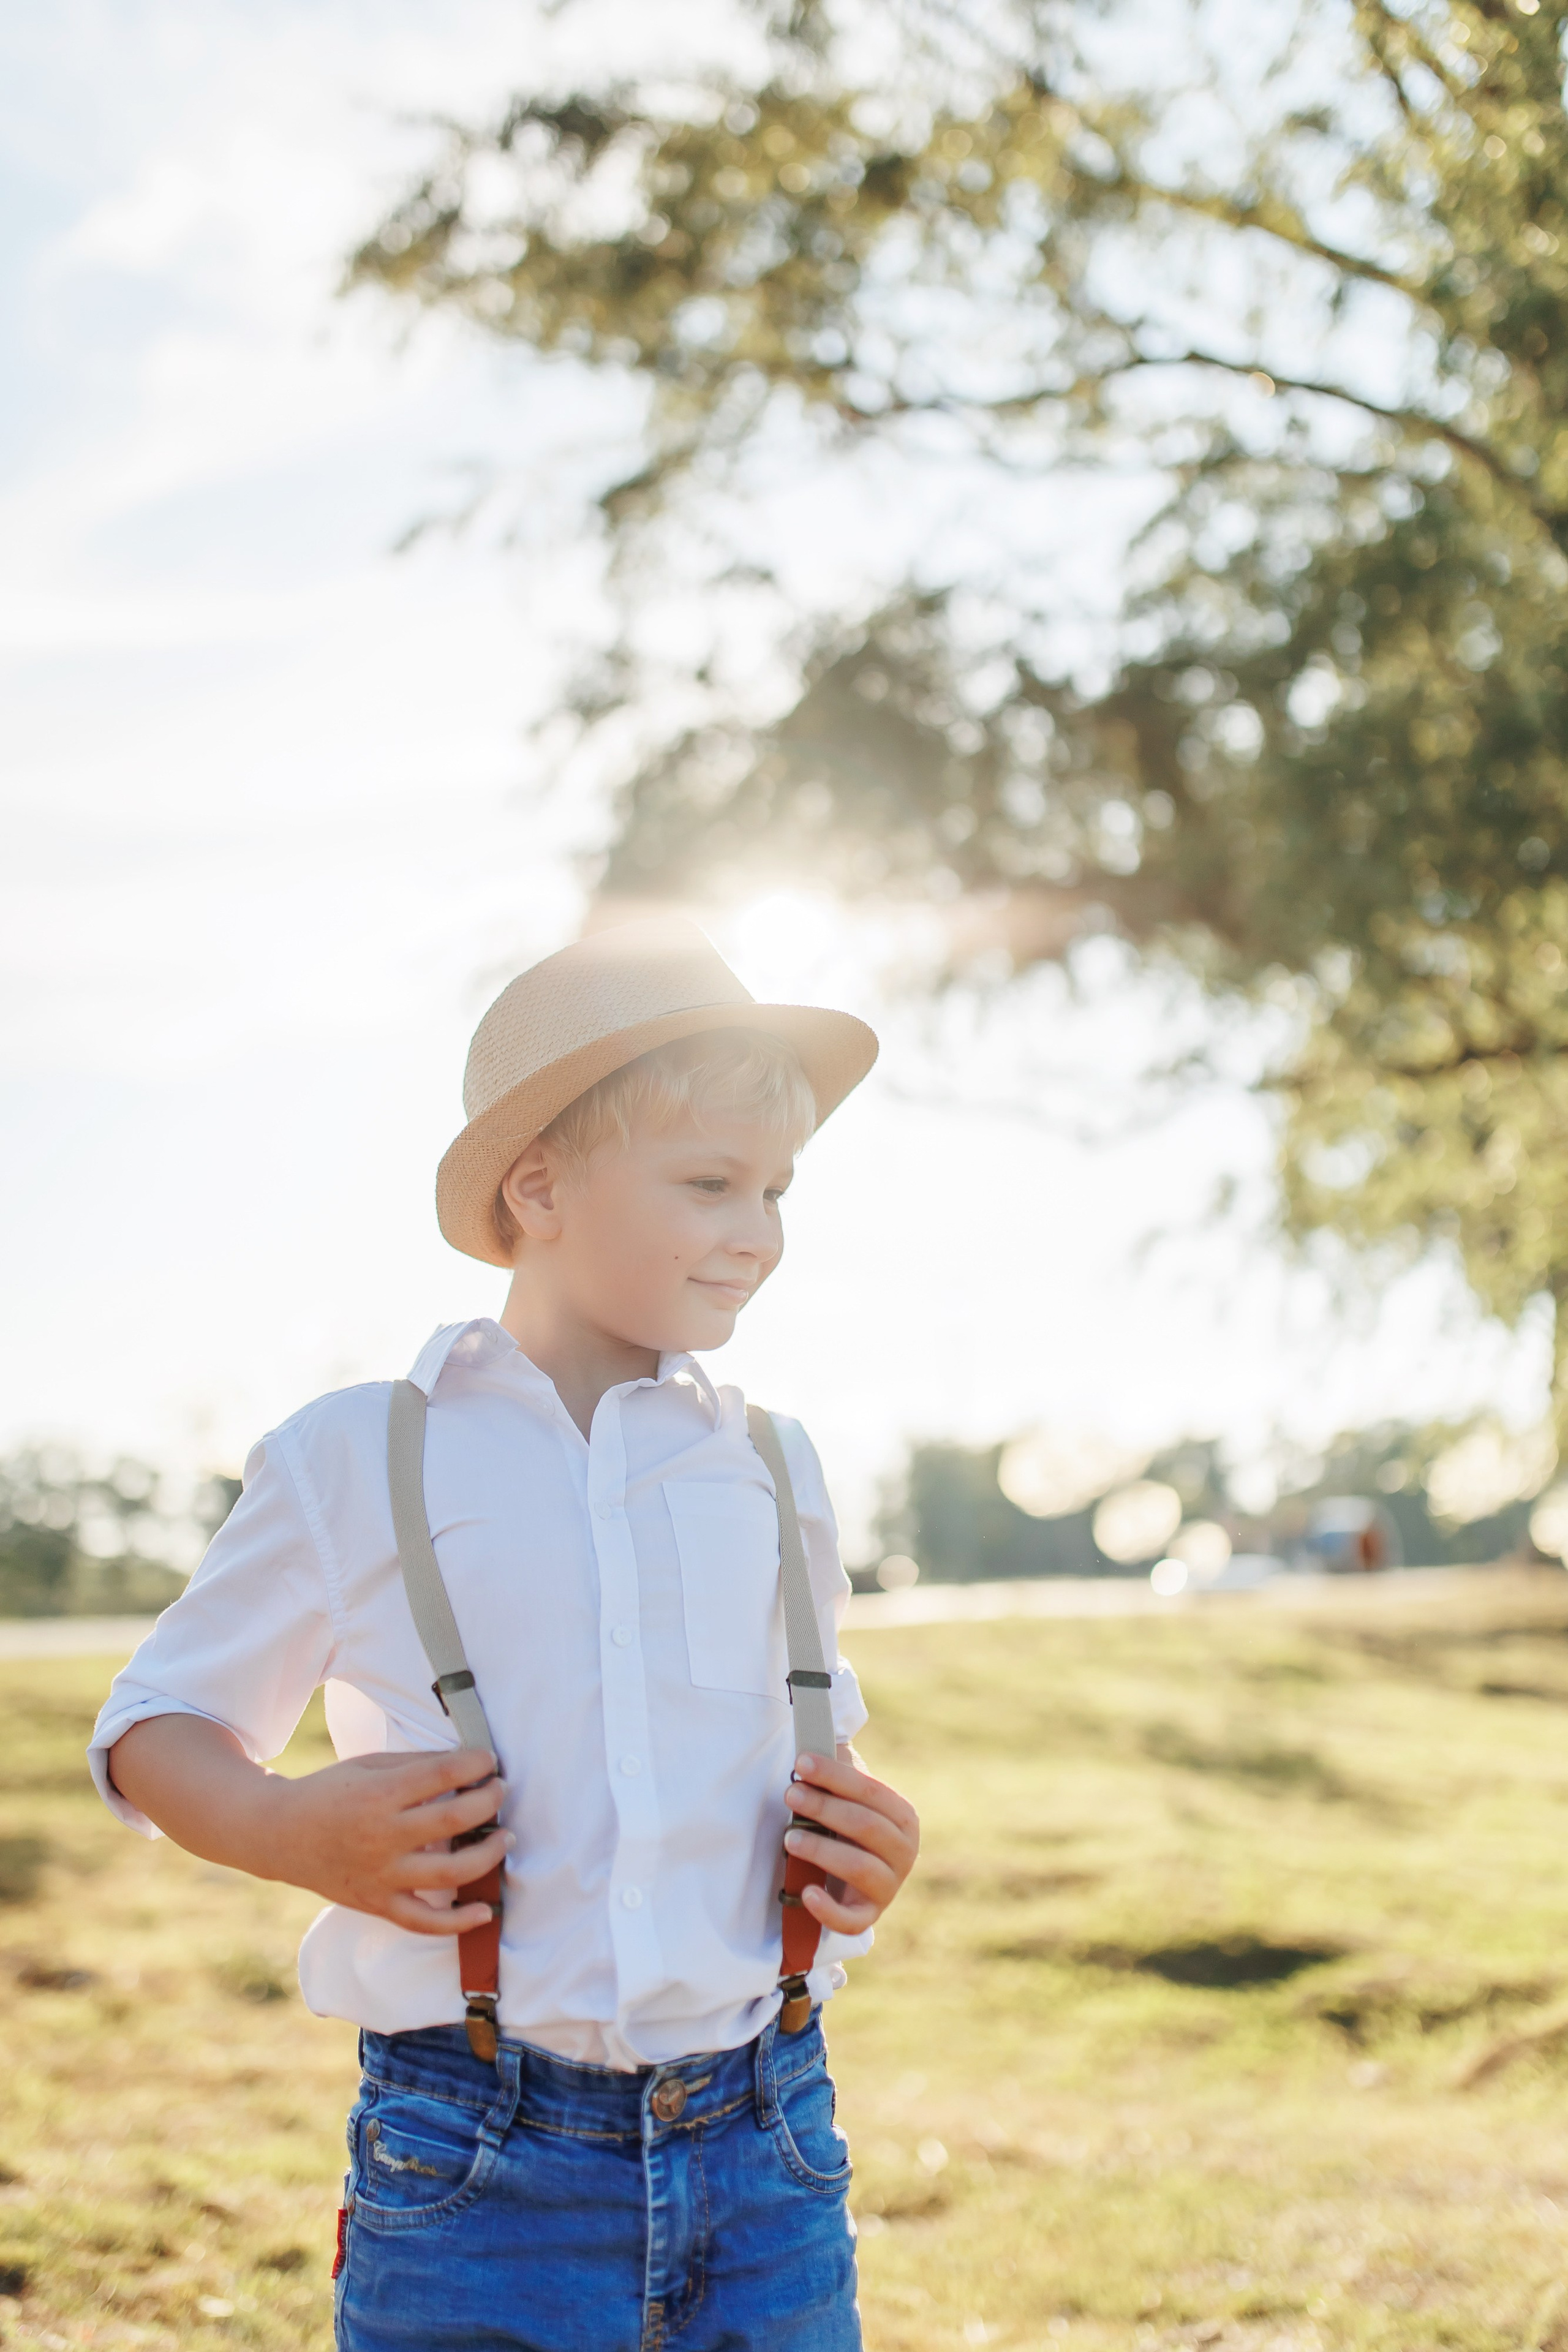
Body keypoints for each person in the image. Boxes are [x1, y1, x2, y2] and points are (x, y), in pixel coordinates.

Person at [88, 916, 921, 2352]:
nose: (757, 1233)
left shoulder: (773, 1467)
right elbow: (152, 1728)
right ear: (537, 1186)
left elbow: (802, 1753)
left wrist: (870, 1850)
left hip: (766, 2141)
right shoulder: (359, 1456)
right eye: (710, 1183)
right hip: (476, 2159)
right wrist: (289, 1830)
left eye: (777, 1190)